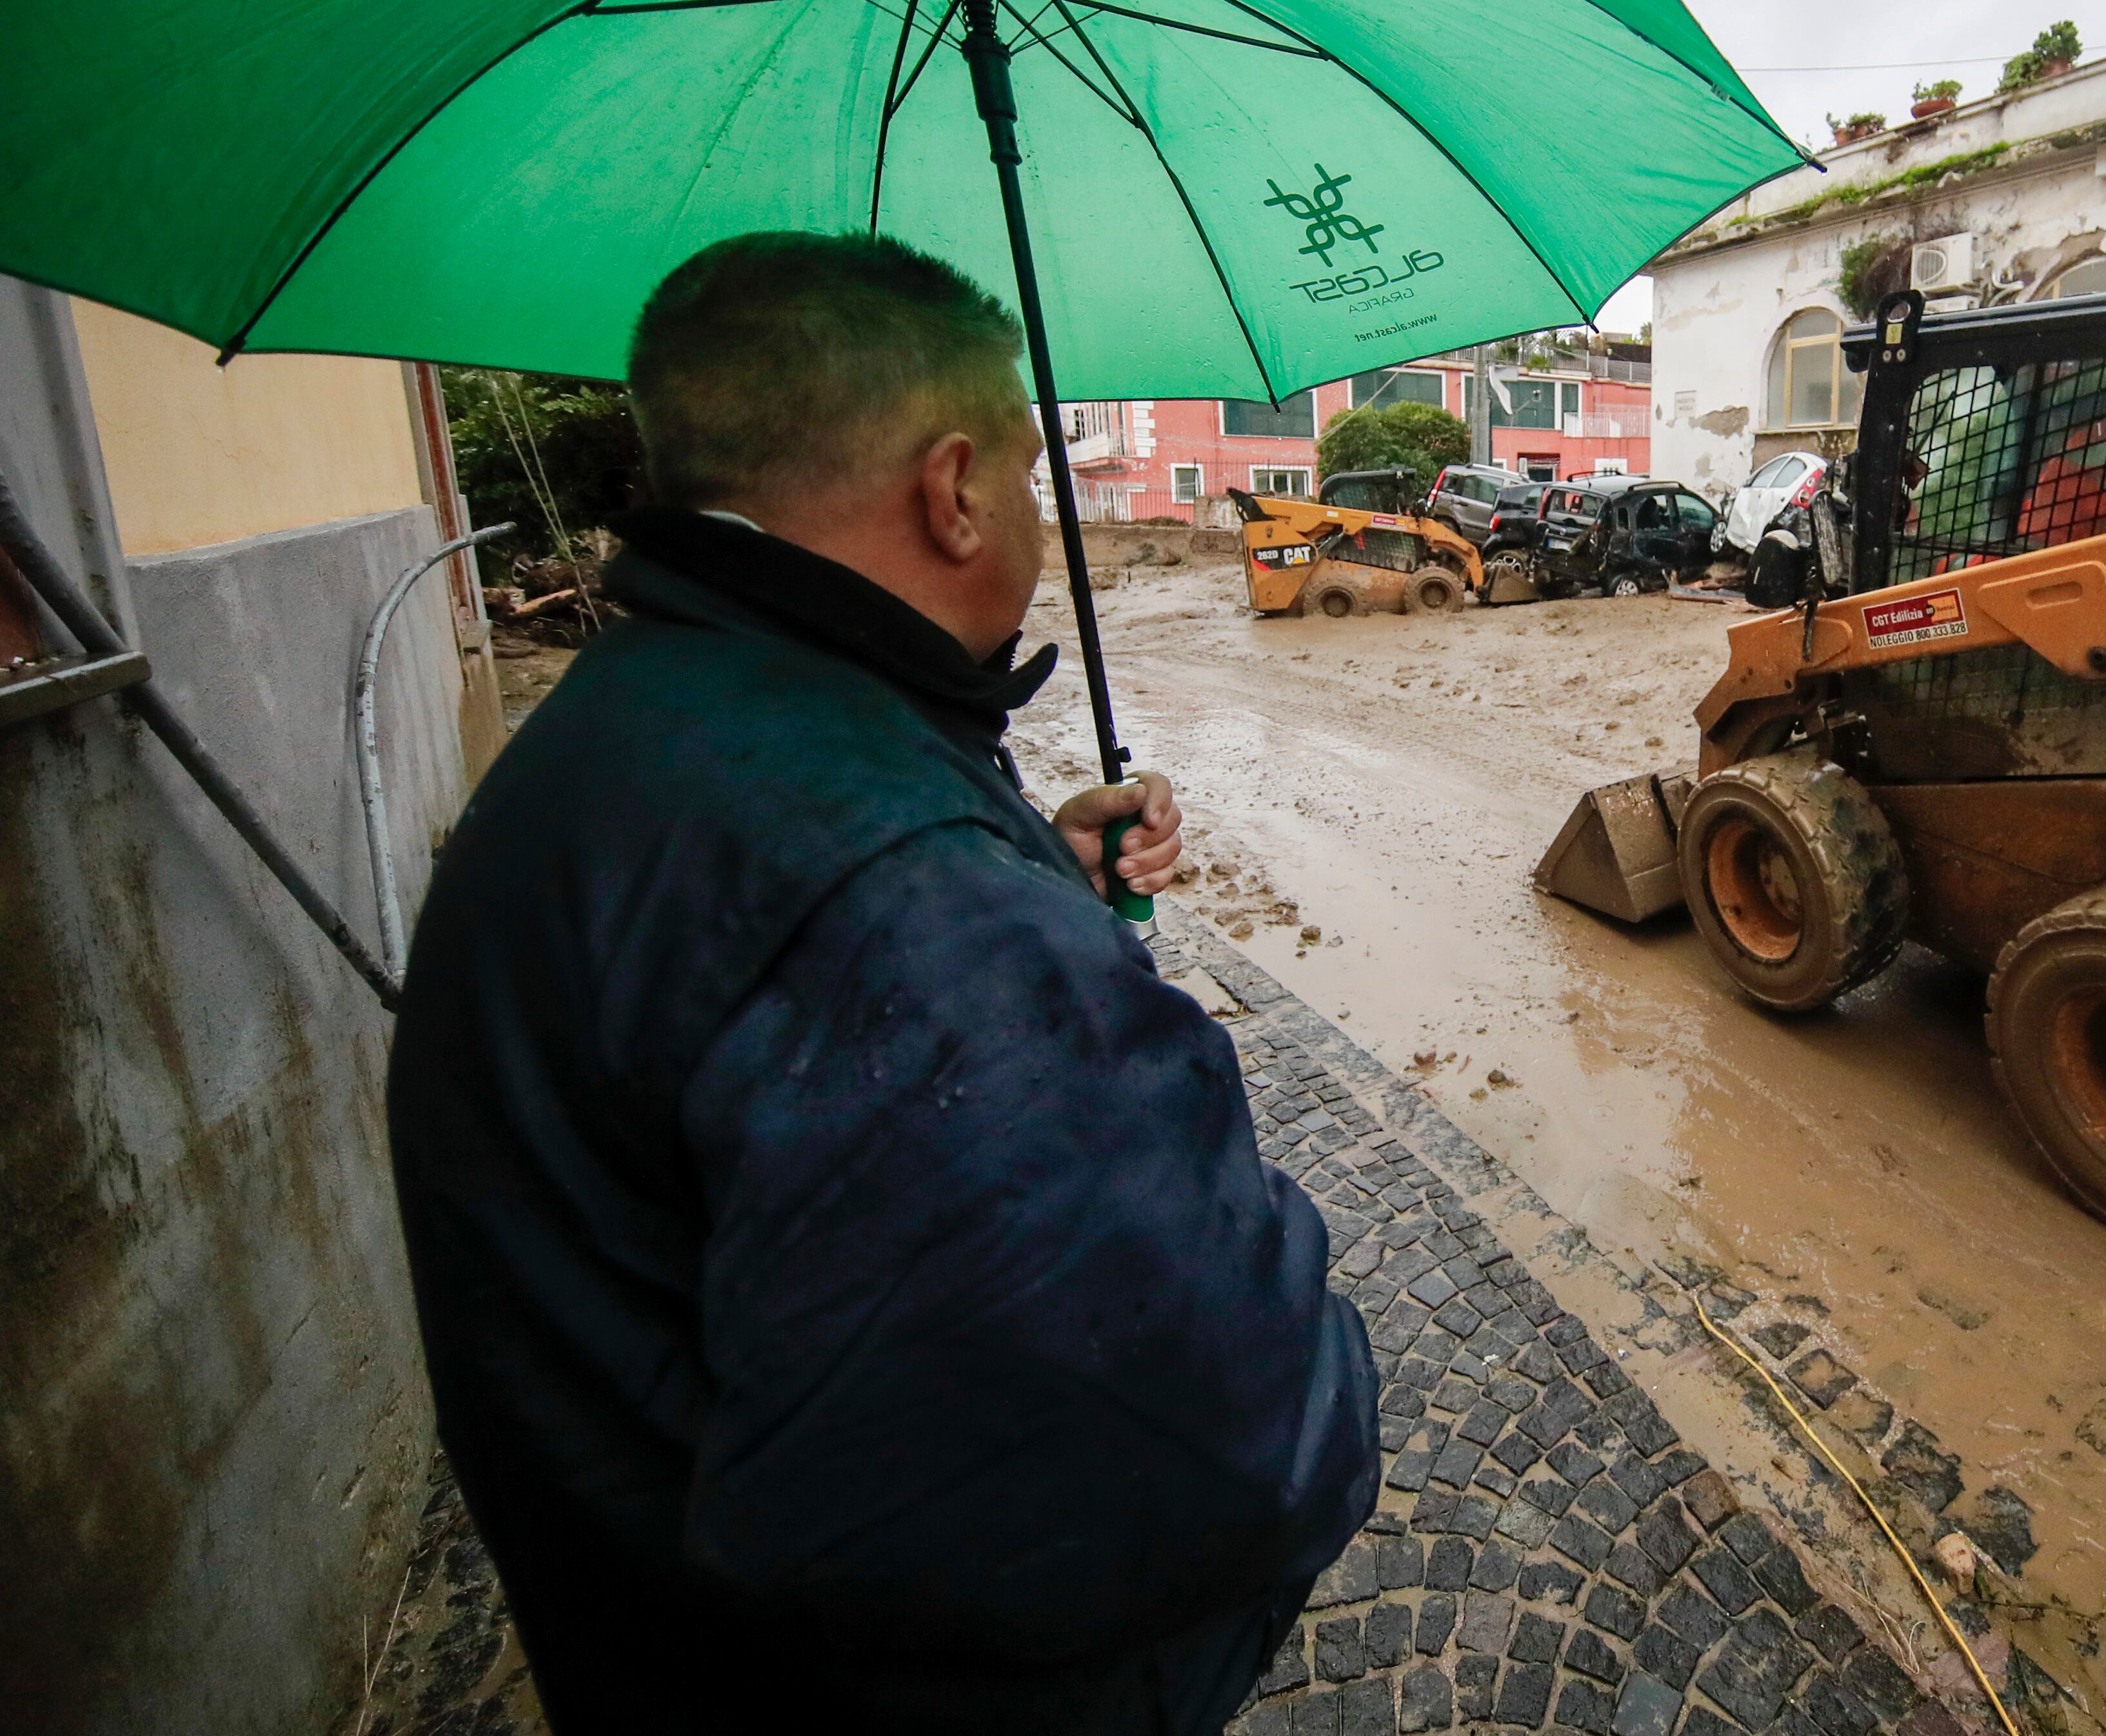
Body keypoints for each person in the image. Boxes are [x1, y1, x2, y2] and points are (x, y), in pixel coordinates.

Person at [387, 234, 1377, 1735]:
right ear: (956, 488)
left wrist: (1045, 882)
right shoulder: (899, 891)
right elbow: (1212, 1424)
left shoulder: (628, 723)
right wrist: (999, 922)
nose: (1040, 519)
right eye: (1037, 482)